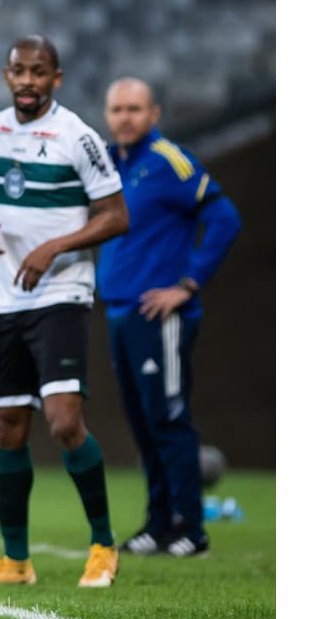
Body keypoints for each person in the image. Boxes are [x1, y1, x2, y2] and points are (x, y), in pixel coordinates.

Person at [0, 36, 130, 589]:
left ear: (56, 78)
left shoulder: (77, 136)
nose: (27, 80)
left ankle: (104, 546)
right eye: (18, 71)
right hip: (3, 295)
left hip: (63, 291)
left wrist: (53, 247)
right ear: (5, 75)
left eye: (38, 72)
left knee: (63, 421)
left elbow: (115, 215)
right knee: (6, 424)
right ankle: (15, 561)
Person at [99, 77, 242, 558]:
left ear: (153, 114)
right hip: (120, 311)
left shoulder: (170, 162)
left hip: (159, 315)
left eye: (134, 108)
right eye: (117, 109)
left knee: (168, 418)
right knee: (142, 422)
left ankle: (191, 528)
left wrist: (187, 285)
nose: (125, 117)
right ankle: (158, 523)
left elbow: (224, 218)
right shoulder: (109, 164)